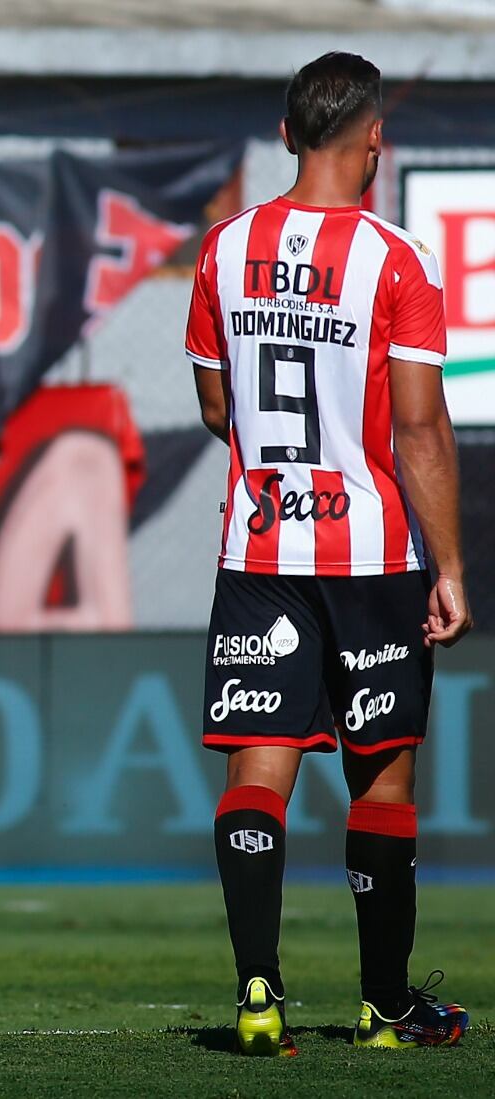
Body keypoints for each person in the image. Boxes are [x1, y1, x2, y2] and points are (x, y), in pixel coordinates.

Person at [187, 52, 471, 1055]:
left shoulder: (222, 251)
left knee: (255, 772)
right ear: (373, 143)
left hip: (259, 547)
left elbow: (217, 406)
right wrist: (449, 566)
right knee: (380, 783)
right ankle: (387, 1007)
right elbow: (421, 428)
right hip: (372, 557)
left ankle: (257, 994)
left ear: (283, 136)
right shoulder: (395, 260)